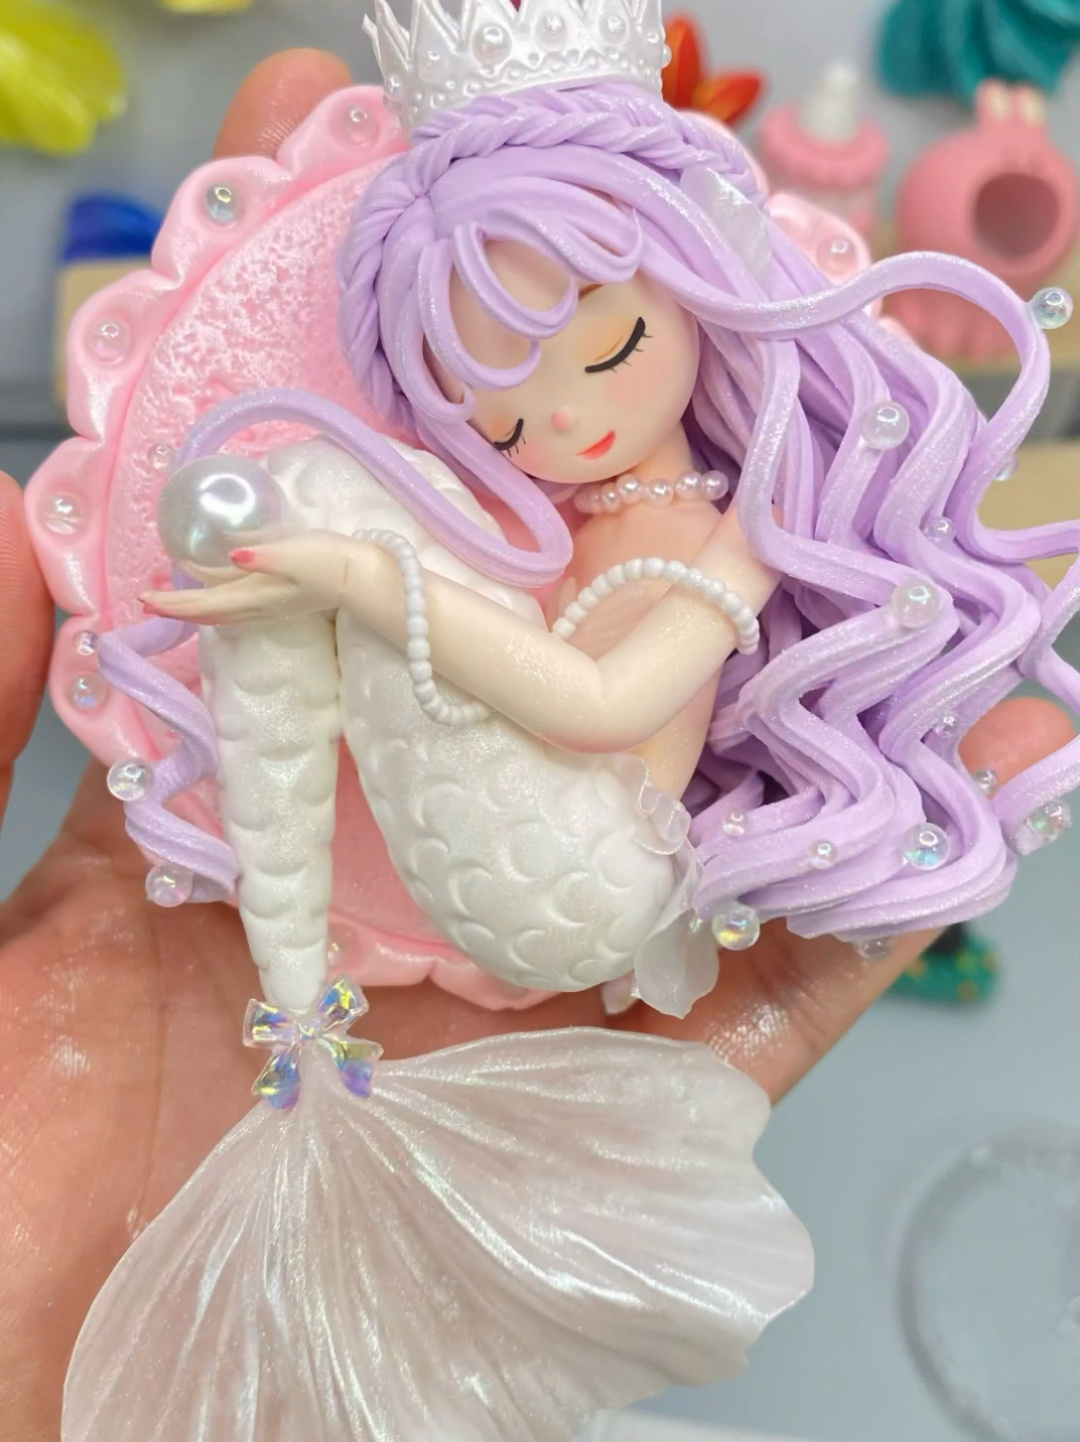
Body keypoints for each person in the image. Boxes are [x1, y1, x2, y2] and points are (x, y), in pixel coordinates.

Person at [0, 49, 1072, 1435]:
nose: (562, 415)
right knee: (327, 505)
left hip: (578, 876)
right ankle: (296, 990)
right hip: (518, 849)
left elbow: (600, 707)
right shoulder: (587, 518)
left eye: (609, 349)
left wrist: (368, 580)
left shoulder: (727, 532)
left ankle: (296, 985)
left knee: (324, 496)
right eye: (502, 409)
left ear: (690, 291)